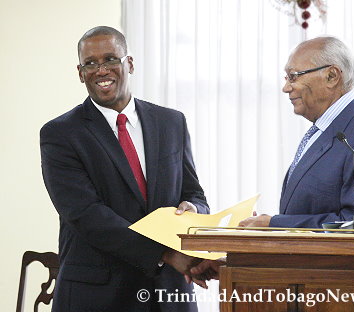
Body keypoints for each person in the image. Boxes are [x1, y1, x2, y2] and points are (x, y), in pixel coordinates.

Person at [40, 26, 220, 312]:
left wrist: (193, 209)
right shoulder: (60, 134)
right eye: (90, 63)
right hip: (97, 296)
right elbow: (86, 215)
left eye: (111, 59)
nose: (101, 70)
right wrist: (167, 253)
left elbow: (195, 193)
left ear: (130, 63)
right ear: (80, 73)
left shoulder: (172, 122)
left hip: (168, 293)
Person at [239, 37, 354, 229]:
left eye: (293, 76)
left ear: (332, 76)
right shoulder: (325, 129)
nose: (286, 87)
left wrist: (276, 224)